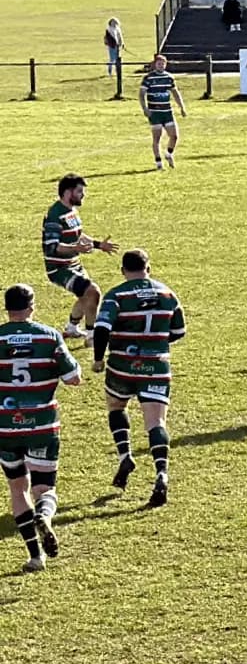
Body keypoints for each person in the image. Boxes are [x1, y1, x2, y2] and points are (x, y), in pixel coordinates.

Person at [93, 248, 183, 509]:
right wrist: (155, 344)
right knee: (156, 423)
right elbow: (178, 331)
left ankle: (125, 454)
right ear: (149, 268)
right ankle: (161, 473)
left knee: (116, 406)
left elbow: (101, 328)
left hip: (122, 365)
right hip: (156, 367)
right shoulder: (167, 293)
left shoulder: (116, 295)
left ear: (123, 271)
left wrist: (99, 359)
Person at [0, 283, 81, 573]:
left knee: (17, 487)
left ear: (7, 308)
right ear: (32, 306)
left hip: (5, 428)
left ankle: (36, 556)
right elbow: (73, 378)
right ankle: (44, 514)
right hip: (43, 425)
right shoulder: (48, 336)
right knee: (44, 487)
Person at [42, 173, 118, 341]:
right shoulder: (55, 216)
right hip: (59, 269)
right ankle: (92, 337)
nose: (83, 194)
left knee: (86, 295)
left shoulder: (72, 211)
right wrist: (75, 248)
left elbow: (78, 234)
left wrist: (99, 245)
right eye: (79, 191)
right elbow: (52, 248)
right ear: (68, 193)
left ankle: (71, 328)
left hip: (73, 264)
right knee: (93, 292)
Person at [139, 54, 187, 170]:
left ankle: (169, 154)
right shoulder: (148, 78)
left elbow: (175, 93)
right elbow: (141, 94)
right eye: (159, 63)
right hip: (155, 112)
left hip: (167, 112)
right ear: (154, 64)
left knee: (174, 136)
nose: (161, 66)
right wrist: (145, 108)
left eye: (163, 64)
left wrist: (181, 107)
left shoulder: (169, 77)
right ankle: (158, 162)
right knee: (157, 138)